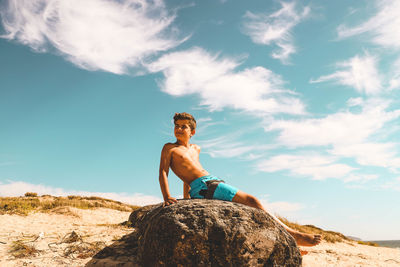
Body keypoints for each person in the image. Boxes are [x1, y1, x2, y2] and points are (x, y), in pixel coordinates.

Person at [159, 112, 321, 247]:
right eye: (176, 126)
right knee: (253, 201)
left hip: (213, 182)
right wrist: (167, 197)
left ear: (192, 132)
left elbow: (187, 175)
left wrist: (187, 198)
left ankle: (284, 244)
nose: (179, 129)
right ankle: (292, 234)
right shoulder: (169, 148)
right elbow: (163, 172)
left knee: (248, 213)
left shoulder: (196, 148)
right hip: (204, 186)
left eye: (184, 126)